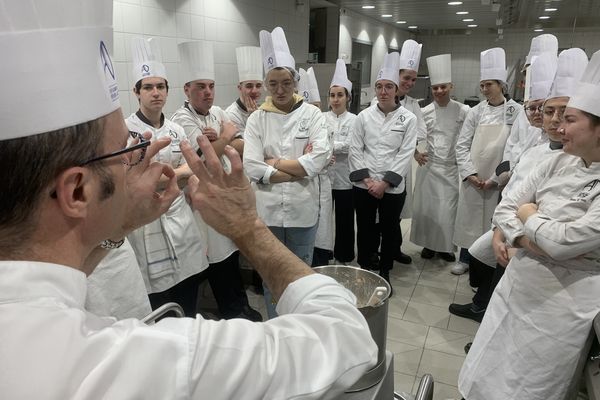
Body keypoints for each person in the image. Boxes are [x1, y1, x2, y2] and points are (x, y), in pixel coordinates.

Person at [0, 4, 378, 398]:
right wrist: (248, 228)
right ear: (77, 191)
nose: (133, 162)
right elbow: (347, 340)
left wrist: (118, 226)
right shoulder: (133, 361)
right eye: (121, 154)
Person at [458, 48, 600, 400]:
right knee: (484, 373)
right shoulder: (557, 162)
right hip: (516, 288)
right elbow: (506, 207)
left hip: (561, 305)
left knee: (532, 388)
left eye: (569, 119)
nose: (557, 126)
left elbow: (563, 241)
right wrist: (529, 236)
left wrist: (528, 216)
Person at [449, 49, 589, 323]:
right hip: (503, 208)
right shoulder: (539, 150)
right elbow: (512, 184)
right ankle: (481, 304)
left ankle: (483, 306)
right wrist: (477, 176)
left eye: (565, 115)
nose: (550, 119)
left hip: (560, 277)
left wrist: (517, 223)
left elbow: (563, 240)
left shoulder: (572, 160)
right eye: (545, 111)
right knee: (491, 271)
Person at [243, 27, 332, 317]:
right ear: (266, 84)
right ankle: (277, 325)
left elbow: (319, 158)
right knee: (272, 275)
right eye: (273, 84)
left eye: (285, 82)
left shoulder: (313, 115)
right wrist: (298, 168)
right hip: (267, 213)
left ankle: (300, 325)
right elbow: (251, 165)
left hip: (303, 212)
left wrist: (275, 163)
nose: (279, 90)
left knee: (301, 275)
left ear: (295, 81)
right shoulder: (257, 119)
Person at [172, 40, 261, 321]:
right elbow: (200, 162)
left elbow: (237, 142)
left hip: (222, 193)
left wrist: (220, 141)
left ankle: (240, 303)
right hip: (202, 200)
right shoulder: (181, 119)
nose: (208, 92)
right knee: (218, 257)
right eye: (200, 86)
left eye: (210, 85)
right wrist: (223, 139)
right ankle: (231, 310)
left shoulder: (218, 113)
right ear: (186, 89)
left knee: (232, 251)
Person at [123, 37, 209, 317]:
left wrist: (158, 176)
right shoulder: (127, 132)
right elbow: (131, 181)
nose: (155, 93)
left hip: (181, 220)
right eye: (148, 87)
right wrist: (177, 175)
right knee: (161, 303)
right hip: (147, 226)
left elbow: (193, 168)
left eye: (160, 86)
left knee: (188, 290)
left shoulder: (175, 130)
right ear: (136, 92)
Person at [349, 52, 418, 292]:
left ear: (397, 89)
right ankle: (366, 267)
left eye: (389, 86)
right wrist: (369, 181)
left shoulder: (408, 119)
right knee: (366, 228)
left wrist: (384, 183)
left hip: (393, 187)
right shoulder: (363, 117)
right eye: (379, 86)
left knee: (390, 230)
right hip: (364, 185)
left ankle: (385, 269)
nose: (383, 91)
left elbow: (405, 153)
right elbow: (355, 150)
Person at [453, 47, 523, 275]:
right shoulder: (476, 112)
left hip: (499, 180)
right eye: (482, 85)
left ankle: (487, 263)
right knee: (469, 219)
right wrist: (470, 173)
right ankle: (465, 258)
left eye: (488, 85)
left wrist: (495, 179)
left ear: (501, 85)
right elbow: (462, 144)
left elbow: (515, 148)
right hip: (473, 177)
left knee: (494, 222)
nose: (484, 89)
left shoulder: (516, 111)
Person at [371, 39, 426, 266]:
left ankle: (393, 249)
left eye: (413, 79)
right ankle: (375, 252)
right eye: (406, 78)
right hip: (378, 169)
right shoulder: (377, 103)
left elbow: (419, 132)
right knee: (377, 216)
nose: (410, 83)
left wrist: (413, 150)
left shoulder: (413, 104)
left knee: (396, 213)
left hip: (401, 169)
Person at [410, 54, 469, 262]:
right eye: (435, 88)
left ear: (451, 87)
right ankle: (428, 245)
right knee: (428, 209)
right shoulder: (423, 111)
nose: (439, 91)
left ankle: (445, 247)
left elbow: (468, 140)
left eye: (443, 87)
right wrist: (416, 153)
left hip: (451, 168)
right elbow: (411, 136)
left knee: (447, 210)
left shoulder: (463, 111)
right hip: (430, 167)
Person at [501, 34, 558, 178]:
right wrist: (504, 174)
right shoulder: (523, 111)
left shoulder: (557, 120)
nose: (536, 112)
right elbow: (511, 144)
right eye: (527, 73)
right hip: (513, 178)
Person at [298, 67, 335, 266]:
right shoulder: (296, 126)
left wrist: (319, 157)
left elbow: (325, 154)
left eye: (316, 106)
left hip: (323, 183)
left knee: (322, 230)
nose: (314, 111)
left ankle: (320, 264)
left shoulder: (324, 125)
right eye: (309, 106)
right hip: (303, 185)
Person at [327, 59, 357, 265]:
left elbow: (350, 146)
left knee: (345, 220)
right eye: (332, 95)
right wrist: (329, 147)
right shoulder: (320, 118)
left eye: (340, 95)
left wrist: (329, 146)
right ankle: (324, 253)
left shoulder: (355, 120)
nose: (336, 99)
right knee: (323, 220)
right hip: (325, 177)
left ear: (348, 97)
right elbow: (316, 144)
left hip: (346, 178)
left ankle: (344, 255)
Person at [226, 46, 264, 136]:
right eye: (249, 86)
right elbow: (246, 146)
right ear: (240, 88)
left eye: (258, 85)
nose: (254, 91)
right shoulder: (231, 114)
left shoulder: (261, 109)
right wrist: (253, 119)